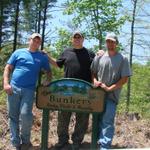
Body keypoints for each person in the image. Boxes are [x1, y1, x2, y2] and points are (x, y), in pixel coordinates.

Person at [3, 33, 52, 150]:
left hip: (29, 90)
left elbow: (48, 72)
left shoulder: (41, 56)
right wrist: (5, 83)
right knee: (13, 116)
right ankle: (15, 143)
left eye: (38, 41)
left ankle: (25, 142)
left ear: (40, 43)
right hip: (13, 88)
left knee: (26, 115)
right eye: (34, 40)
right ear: (29, 40)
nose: (36, 42)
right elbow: (8, 68)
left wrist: (47, 80)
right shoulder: (18, 52)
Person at [48, 31, 95, 150]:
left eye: (79, 37)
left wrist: (102, 54)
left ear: (83, 39)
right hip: (66, 92)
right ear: (72, 39)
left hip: (84, 93)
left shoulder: (90, 54)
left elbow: (97, 68)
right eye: (75, 37)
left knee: (82, 119)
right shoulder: (66, 52)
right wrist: (46, 56)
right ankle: (62, 141)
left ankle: (77, 142)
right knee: (63, 117)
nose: (77, 39)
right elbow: (57, 64)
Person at [91, 32, 132, 150]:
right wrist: (94, 81)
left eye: (112, 41)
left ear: (116, 43)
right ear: (106, 42)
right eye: (108, 41)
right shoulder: (99, 57)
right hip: (97, 95)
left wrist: (109, 88)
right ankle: (96, 144)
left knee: (107, 122)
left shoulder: (123, 59)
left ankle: (105, 146)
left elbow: (124, 79)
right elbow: (93, 72)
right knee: (96, 120)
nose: (110, 43)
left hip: (111, 96)